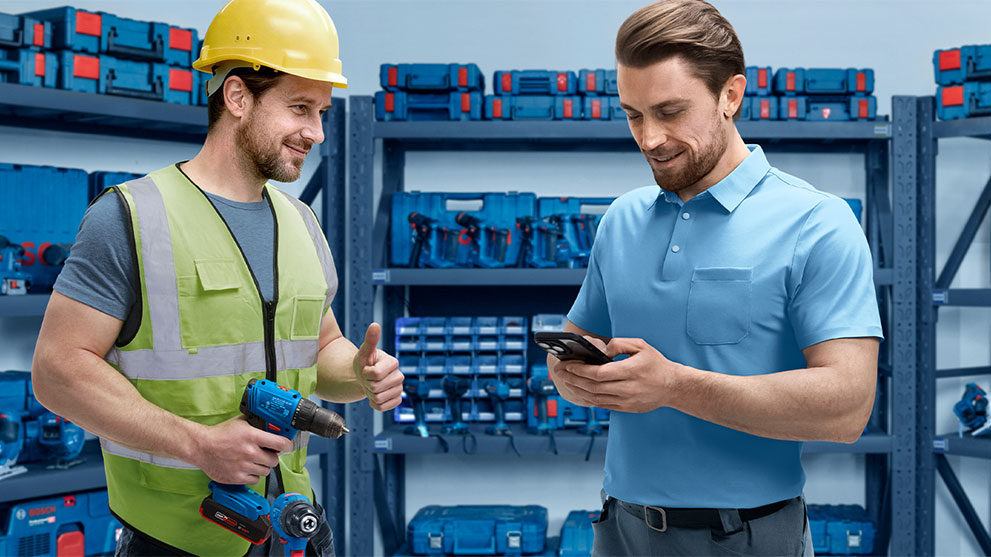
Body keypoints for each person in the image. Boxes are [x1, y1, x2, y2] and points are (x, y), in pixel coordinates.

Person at [31, 0, 404, 555]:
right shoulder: (131, 216)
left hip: (285, 527)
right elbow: (57, 371)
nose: (317, 132)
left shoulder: (302, 223)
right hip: (175, 538)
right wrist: (198, 444)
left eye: (322, 112)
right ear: (236, 96)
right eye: (300, 108)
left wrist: (358, 372)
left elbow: (318, 350)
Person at [547, 1, 882, 556]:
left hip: (746, 536)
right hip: (618, 531)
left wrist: (675, 386)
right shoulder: (621, 219)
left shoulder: (816, 222)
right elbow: (576, 343)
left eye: (670, 111)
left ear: (730, 96)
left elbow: (848, 407)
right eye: (633, 114)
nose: (650, 138)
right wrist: (572, 374)